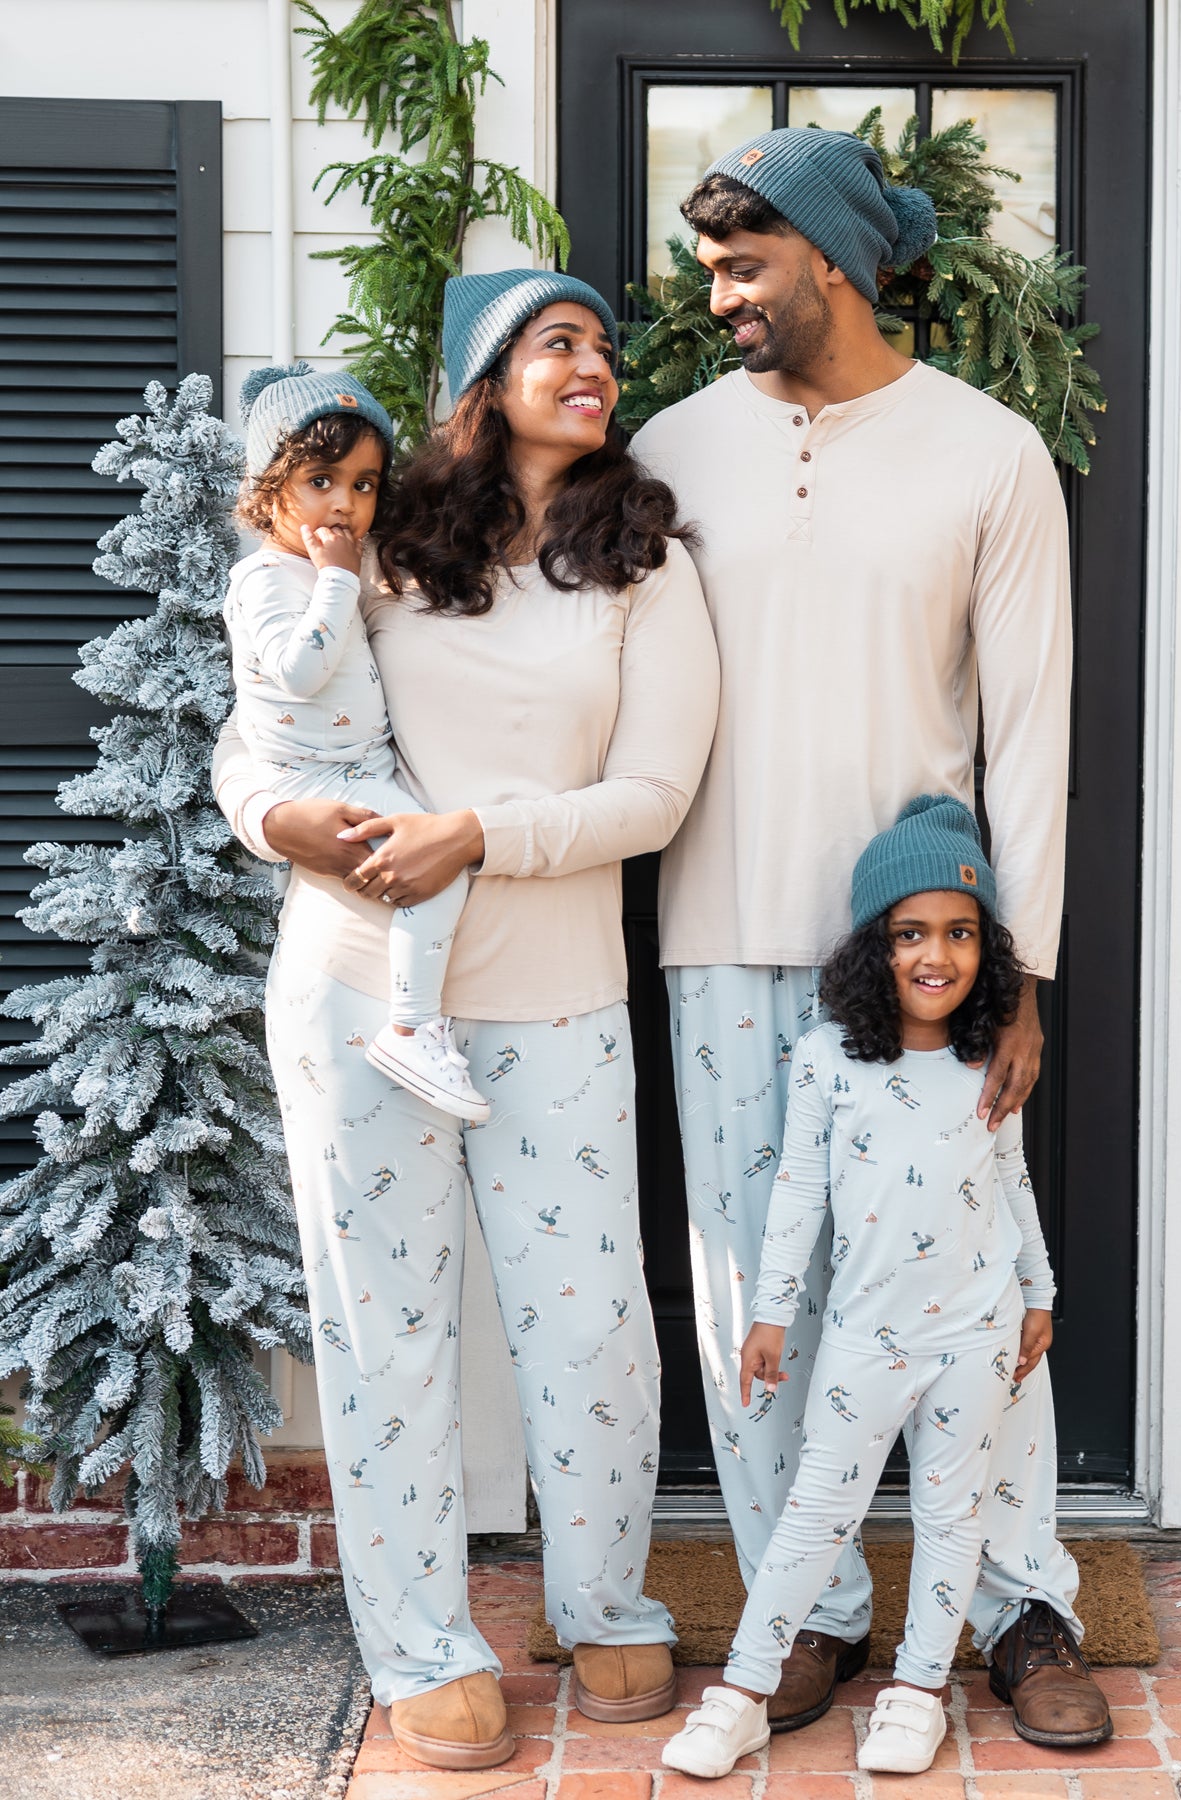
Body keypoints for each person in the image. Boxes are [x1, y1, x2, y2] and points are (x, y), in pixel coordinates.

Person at [633, 127, 1112, 1746]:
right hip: (714, 929)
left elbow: (1034, 731)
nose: (719, 296)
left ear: (832, 257)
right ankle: (812, 1604)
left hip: (930, 965)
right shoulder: (672, 447)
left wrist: (1026, 972)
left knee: (978, 1291)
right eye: (711, 265)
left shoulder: (989, 454)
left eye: (743, 265)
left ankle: (1019, 1601)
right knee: (752, 1304)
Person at [211, 270, 719, 1771]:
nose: (595, 366)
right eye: (559, 342)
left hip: (556, 997)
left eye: (607, 348)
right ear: (484, 373)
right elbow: (260, 725)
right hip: (359, 991)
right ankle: (421, 1643)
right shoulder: (386, 538)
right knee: (389, 1336)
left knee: (595, 1333)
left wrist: (479, 835)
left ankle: (604, 1592)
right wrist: (274, 820)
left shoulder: (646, 562)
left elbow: (655, 796)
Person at [662, 796, 1058, 1779]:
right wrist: (766, 1315)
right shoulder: (831, 1060)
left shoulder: (985, 1066)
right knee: (814, 1513)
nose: (937, 955)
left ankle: (920, 1691)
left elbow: (1013, 1187)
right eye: (911, 933)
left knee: (949, 1515)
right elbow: (796, 1196)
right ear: (873, 947)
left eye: (960, 933)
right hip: (864, 1340)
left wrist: (1040, 1292)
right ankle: (745, 1690)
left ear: (986, 949)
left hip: (976, 1332)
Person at [225, 363, 487, 1121]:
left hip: (359, 763)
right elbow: (301, 671)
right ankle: (411, 1027)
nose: (344, 503)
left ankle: (412, 1019)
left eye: (365, 485)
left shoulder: (326, 564)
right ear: (269, 488)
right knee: (437, 874)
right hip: (320, 778)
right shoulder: (268, 580)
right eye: (320, 481)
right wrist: (339, 578)